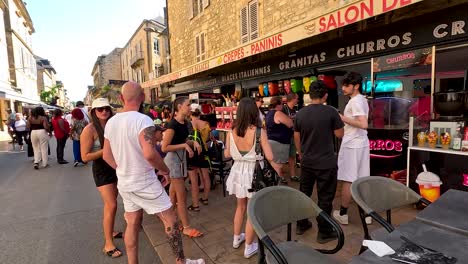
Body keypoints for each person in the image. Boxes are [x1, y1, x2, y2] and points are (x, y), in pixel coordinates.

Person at [103, 82, 204, 264]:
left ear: (121, 98)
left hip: (125, 182)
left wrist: (123, 169)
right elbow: (150, 154)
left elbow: (106, 155)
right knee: (171, 221)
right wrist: (164, 170)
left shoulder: (111, 122)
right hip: (144, 181)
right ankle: (180, 261)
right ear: (142, 97)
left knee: (132, 223)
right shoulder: (143, 120)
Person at [294, 80, 344, 242]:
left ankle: (301, 224)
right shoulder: (331, 112)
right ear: (325, 96)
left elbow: (296, 135)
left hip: (307, 162)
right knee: (325, 198)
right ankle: (324, 232)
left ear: (309, 95)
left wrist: (300, 152)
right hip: (326, 163)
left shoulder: (300, 113)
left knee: (304, 194)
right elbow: (339, 134)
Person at [225, 97, 274, 259]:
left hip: (238, 170)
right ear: (254, 112)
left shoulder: (231, 131)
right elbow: (270, 155)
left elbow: (226, 154)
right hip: (254, 172)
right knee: (252, 210)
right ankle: (248, 247)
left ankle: (236, 238)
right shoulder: (259, 132)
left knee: (240, 207)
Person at [80, 98, 123, 258]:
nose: (104, 111)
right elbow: (85, 157)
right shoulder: (89, 130)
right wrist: (105, 150)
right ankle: (108, 243)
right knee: (111, 205)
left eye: (106, 108)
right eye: (100, 109)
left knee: (114, 203)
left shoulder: (114, 125)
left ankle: (111, 230)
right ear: (94, 112)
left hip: (116, 167)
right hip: (101, 169)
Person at [161, 97, 204, 239]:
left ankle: (170, 220)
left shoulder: (185, 123)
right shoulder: (172, 124)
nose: (190, 107)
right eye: (187, 105)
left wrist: (193, 143)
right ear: (179, 107)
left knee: (173, 195)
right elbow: (165, 147)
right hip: (174, 161)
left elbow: (183, 140)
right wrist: (185, 146)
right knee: (181, 196)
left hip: (180, 160)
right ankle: (186, 227)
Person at [333, 72, 371, 225]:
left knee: (348, 180)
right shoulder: (361, 100)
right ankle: (368, 214)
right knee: (362, 179)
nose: (343, 88)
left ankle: (343, 213)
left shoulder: (355, 101)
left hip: (352, 145)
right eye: (343, 85)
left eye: (347, 85)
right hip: (360, 143)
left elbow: (363, 124)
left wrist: (341, 117)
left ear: (356, 86)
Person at [186, 103, 212, 211]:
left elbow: (187, 139)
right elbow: (209, 138)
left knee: (194, 180)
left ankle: (195, 205)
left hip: (193, 153)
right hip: (204, 152)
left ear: (190, 112)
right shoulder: (206, 123)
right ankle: (205, 198)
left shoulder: (189, 124)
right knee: (206, 176)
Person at [265, 96, 293, 184]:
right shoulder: (278, 113)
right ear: (278, 105)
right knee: (278, 166)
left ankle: (277, 181)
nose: (283, 105)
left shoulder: (269, 113)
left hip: (271, 142)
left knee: (274, 164)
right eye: (282, 104)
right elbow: (290, 124)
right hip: (279, 143)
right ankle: (277, 185)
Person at [282, 93, 300, 182]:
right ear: (292, 99)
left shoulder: (294, 110)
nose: (298, 100)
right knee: (282, 157)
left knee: (292, 156)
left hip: (292, 136)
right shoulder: (283, 109)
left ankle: (293, 175)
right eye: (297, 98)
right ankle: (280, 176)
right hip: (284, 137)